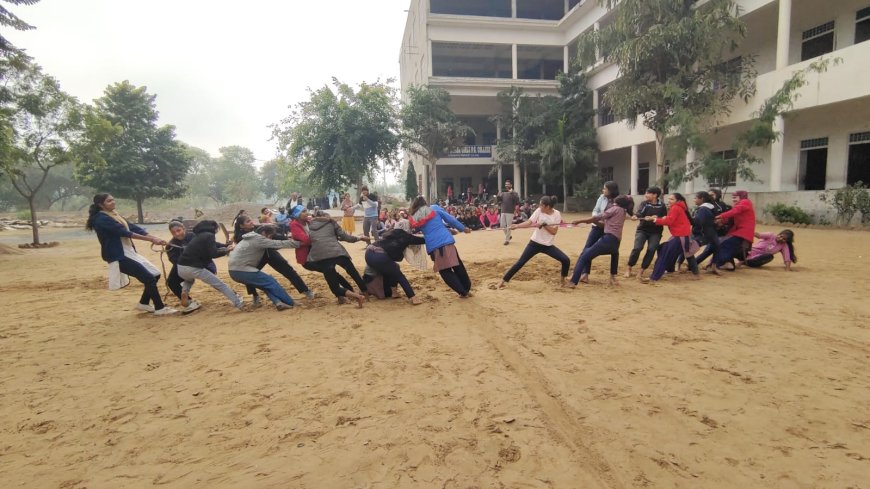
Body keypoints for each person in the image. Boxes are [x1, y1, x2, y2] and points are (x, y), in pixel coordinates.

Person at [85, 193, 177, 315]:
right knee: (149, 278)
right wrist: (151, 240)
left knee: (154, 275)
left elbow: (132, 228)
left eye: (113, 200)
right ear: (101, 205)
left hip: (129, 252)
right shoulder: (102, 219)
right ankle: (159, 308)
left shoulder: (114, 215)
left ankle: (144, 303)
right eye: (109, 201)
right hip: (118, 255)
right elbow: (124, 232)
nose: (113, 202)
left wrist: (153, 237)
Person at [233, 213, 315, 306]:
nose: (251, 222)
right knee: (250, 275)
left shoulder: (258, 228)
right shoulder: (241, 236)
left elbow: (274, 236)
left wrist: (285, 238)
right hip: (256, 258)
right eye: (248, 221)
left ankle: (305, 290)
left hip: (269, 253)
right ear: (241, 225)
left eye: (251, 220)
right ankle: (255, 295)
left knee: (288, 270)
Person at [498, 195, 570, 288]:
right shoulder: (539, 211)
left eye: (541, 205)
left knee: (565, 260)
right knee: (520, 262)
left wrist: (544, 225)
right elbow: (529, 222)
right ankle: (503, 280)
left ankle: (563, 280)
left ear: (547, 207)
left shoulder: (557, 214)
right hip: (535, 243)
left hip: (548, 245)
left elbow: (554, 232)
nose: (539, 207)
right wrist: (517, 226)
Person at [408, 196, 473, 297]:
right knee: (457, 265)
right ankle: (466, 288)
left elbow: (415, 230)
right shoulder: (434, 208)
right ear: (425, 202)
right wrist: (463, 228)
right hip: (446, 241)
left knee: (445, 271)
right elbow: (450, 220)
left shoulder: (415, 217)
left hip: (434, 246)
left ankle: (462, 291)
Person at [305, 210, 369, 307]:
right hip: (338, 252)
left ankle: (342, 297)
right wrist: (359, 238)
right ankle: (365, 293)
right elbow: (344, 237)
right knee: (353, 272)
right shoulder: (331, 221)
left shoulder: (308, 226)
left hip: (322, 256)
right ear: (326, 216)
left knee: (333, 281)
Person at [568, 194, 634, 287]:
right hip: (615, 243)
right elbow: (603, 225)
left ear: (616, 202)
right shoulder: (623, 211)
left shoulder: (614, 209)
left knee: (584, 257)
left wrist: (579, 221)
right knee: (614, 254)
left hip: (607, 240)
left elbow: (596, 217)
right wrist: (593, 221)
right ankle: (612, 277)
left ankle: (573, 282)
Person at [228, 224, 299, 310]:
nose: (270, 239)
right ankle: (289, 302)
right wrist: (299, 243)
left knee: (264, 285)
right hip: (242, 270)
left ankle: (278, 302)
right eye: (270, 236)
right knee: (271, 282)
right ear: (264, 233)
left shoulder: (249, 237)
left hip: (234, 270)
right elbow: (278, 243)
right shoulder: (259, 239)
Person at [176, 220, 240, 309]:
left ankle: (184, 291)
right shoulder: (209, 235)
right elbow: (213, 254)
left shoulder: (199, 235)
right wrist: (227, 250)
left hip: (181, 268)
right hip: (194, 267)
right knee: (220, 285)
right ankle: (238, 303)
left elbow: (214, 245)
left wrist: (225, 246)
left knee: (189, 280)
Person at [644, 193, 699, 282]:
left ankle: (654, 277)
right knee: (663, 248)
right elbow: (671, 219)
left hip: (680, 236)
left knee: (664, 254)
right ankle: (670, 269)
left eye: (672, 199)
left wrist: (654, 219)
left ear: (677, 201)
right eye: (669, 199)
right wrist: (657, 218)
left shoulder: (675, 208)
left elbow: (669, 221)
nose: (669, 201)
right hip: (681, 235)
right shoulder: (679, 207)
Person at [364, 228, 427, 304]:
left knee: (394, 268)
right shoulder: (407, 238)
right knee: (399, 275)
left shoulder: (390, 234)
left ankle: (393, 292)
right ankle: (413, 298)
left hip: (368, 254)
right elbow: (422, 240)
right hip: (379, 257)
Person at [576, 181, 619, 279]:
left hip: (610, 229)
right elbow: (596, 209)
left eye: (605, 188)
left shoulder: (618, 200)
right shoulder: (601, 197)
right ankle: (584, 273)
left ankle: (613, 275)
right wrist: (596, 218)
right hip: (597, 226)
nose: (603, 190)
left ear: (610, 190)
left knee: (615, 251)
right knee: (587, 248)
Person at [625, 186, 667, 280]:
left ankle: (641, 271)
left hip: (656, 232)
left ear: (655, 195)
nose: (646, 195)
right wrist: (636, 216)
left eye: (648, 193)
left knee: (651, 250)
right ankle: (629, 267)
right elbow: (640, 212)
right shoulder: (644, 203)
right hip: (642, 230)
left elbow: (664, 217)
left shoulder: (662, 205)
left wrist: (655, 217)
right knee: (637, 248)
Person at [165, 221, 204, 312]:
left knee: (214, 280)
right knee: (171, 282)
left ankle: (233, 295)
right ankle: (189, 301)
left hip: (201, 263)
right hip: (182, 266)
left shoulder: (194, 236)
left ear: (184, 228)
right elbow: (173, 260)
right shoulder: (170, 245)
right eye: (173, 233)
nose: (177, 234)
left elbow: (207, 246)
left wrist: (224, 246)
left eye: (178, 230)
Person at [714, 190, 756, 271]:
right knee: (727, 243)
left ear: (741, 197)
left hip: (743, 232)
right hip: (739, 231)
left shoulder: (745, 202)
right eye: (733, 197)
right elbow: (732, 216)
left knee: (725, 244)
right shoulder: (739, 204)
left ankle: (718, 263)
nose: (733, 199)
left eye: (735, 197)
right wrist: (722, 220)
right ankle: (728, 264)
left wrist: (720, 216)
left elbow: (734, 212)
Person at [496, 180, 520, 245]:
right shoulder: (503, 193)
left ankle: (507, 240)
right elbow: (499, 201)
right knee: (502, 225)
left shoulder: (514, 193)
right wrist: (498, 196)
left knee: (508, 226)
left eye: (508, 184)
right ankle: (508, 236)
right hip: (503, 210)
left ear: (511, 185)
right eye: (506, 184)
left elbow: (517, 201)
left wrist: (512, 193)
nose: (506, 185)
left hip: (510, 211)